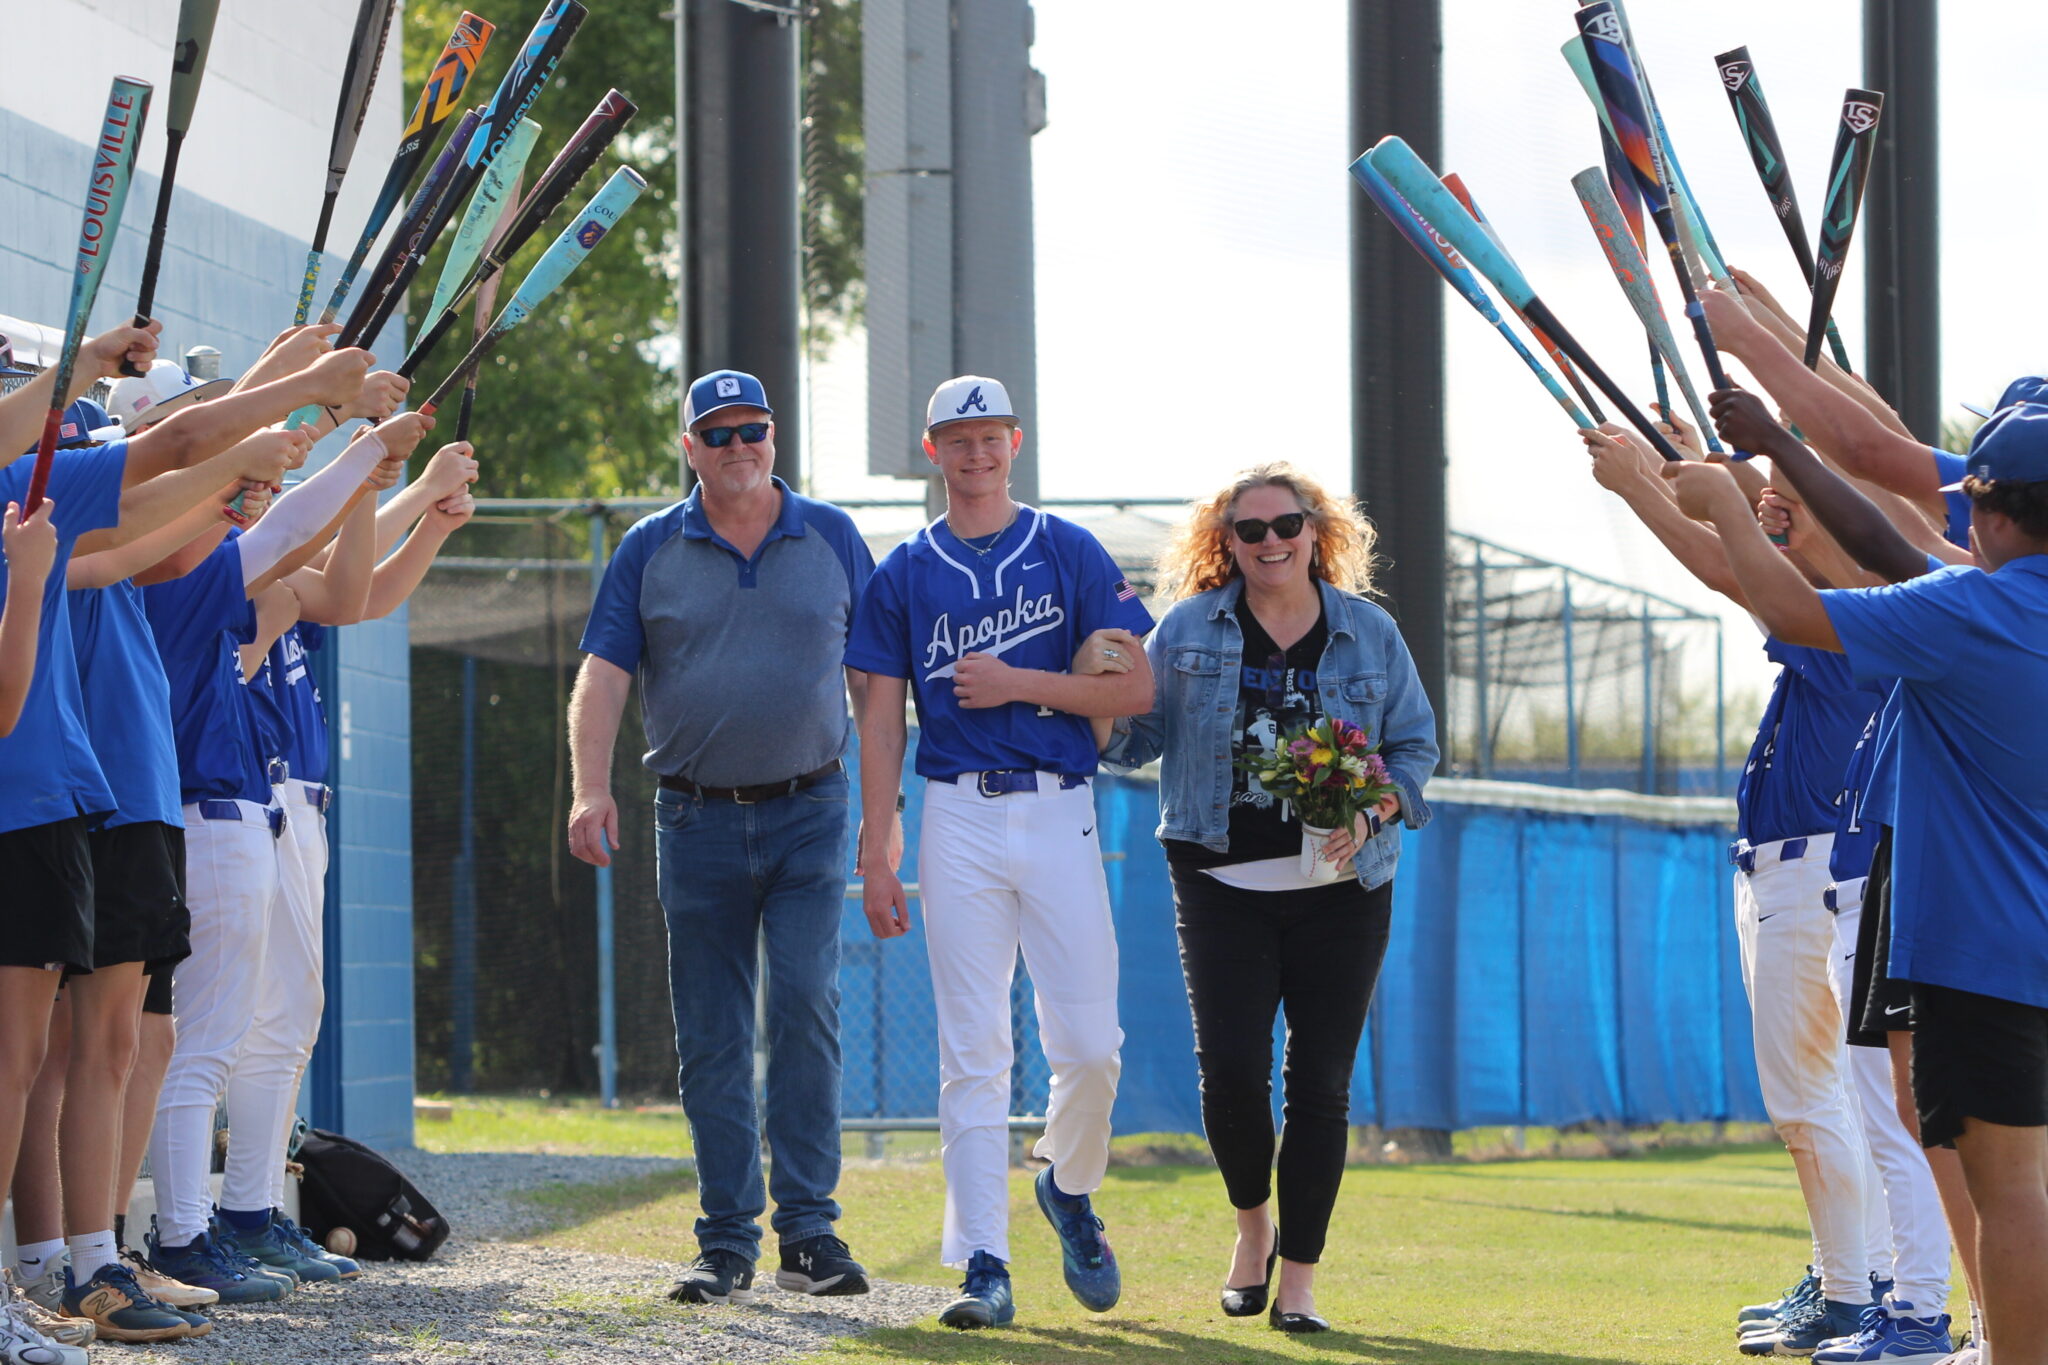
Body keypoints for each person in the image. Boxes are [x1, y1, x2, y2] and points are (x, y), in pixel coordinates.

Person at [1668, 398, 2048, 1365]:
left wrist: (1727, 504)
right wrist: (1773, 442)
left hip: (1989, 952)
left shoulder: (1973, 612)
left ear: (1996, 511)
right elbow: (1887, 546)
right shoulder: (1981, 605)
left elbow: (1799, 606)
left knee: (2011, 1191)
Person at [1084, 463, 1435, 1333]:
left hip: (1345, 890)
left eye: (1288, 525)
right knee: (1234, 1073)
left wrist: (1374, 802)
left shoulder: (1371, 631)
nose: (1271, 542)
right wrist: (1096, 688)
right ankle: (1253, 1228)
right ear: (1226, 542)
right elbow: (1132, 741)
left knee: (1319, 1085)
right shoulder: (1187, 630)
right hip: (1218, 882)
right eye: (1252, 531)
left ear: (1318, 532)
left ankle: (1302, 1282)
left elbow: (1416, 749)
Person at [1576, 415, 1894, 1357]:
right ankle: (1854, 1275)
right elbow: (1756, 541)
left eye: (1795, 510)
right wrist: (1723, 467)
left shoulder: (1851, 603)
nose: (1779, 521)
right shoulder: (1861, 597)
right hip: (1795, 865)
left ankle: (1856, 1291)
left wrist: (1640, 483)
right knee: (1830, 1096)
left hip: (1815, 869)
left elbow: (1733, 564)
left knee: (1811, 1098)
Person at [846, 375, 1156, 1330]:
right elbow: (880, 715)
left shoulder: (1067, 548)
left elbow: (1134, 689)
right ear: (932, 449)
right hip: (959, 814)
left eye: (990, 436)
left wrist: (1019, 678)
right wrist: (879, 843)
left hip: (1062, 806)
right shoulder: (904, 570)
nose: (975, 453)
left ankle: (1065, 1185)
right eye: (956, 438)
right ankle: (983, 1260)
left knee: (1092, 1048)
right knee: (972, 1048)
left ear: (1014, 442)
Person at [571, 369, 878, 1307]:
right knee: (709, 1033)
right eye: (719, 432)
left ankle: (811, 1230)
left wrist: (885, 816)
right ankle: (725, 1240)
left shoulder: (830, 534)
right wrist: (589, 790)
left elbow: (877, 682)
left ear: (773, 437)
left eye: (754, 428)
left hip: (811, 811)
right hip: (693, 816)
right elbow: (604, 674)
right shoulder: (650, 547)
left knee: (803, 1008)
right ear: (690, 447)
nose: (739, 444)